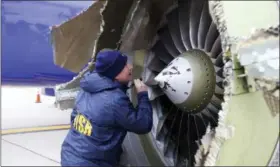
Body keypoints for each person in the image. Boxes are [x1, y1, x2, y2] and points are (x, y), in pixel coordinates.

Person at [60, 49, 153, 167]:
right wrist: (142, 95)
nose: (130, 67)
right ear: (115, 74)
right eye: (124, 66)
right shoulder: (115, 100)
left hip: (70, 154)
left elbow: (75, 116)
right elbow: (142, 125)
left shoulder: (87, 84)